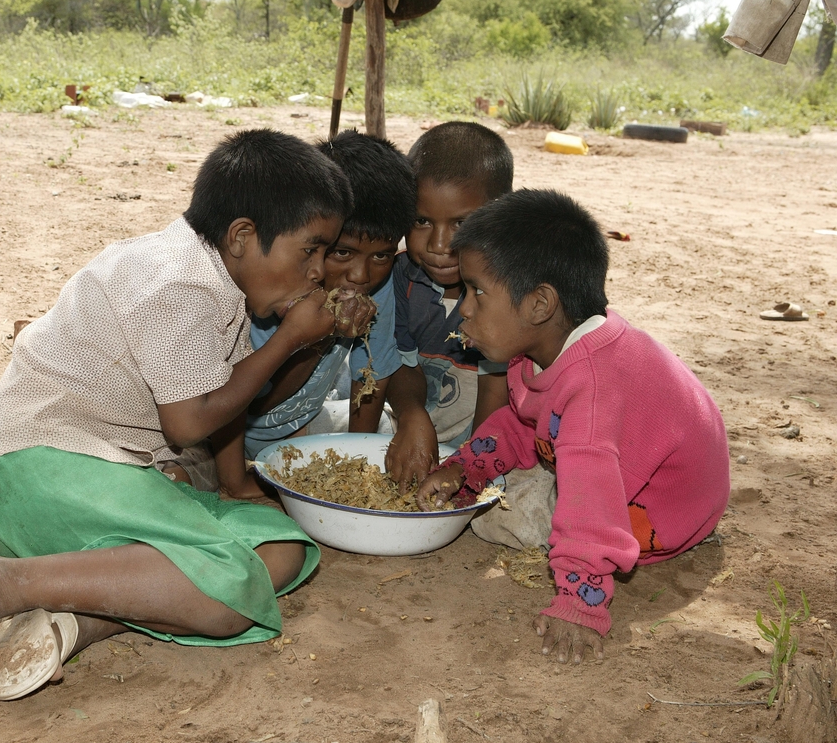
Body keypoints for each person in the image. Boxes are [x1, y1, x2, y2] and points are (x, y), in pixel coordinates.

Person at [0, 128, 353, 707]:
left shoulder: (215, 280)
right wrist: (290, 341)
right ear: (243, 236)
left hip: (100, 479)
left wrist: (235, 485)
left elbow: (224, 396)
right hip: (45, 477)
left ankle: (79, 617)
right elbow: (190, 424)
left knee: (281, 547)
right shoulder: (178, 285)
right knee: (229, 592)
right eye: (311, 250)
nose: (321, 271)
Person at [417, 189, 730, 665]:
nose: (463, 309)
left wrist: (578, 606)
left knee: (502, 517)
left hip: (661, 512)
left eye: (477, 292)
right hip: (630, 471)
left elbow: (590, 502)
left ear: (540, 304)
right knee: (502, 484)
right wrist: (466, 468)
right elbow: (526, 425)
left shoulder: (594, 390)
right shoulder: (554, 346)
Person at [220, 130, 415, 484]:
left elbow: (369, 379)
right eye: (342, 252)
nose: (361, 275)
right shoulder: (273, 291)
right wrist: (320, 337)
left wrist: (359, 462)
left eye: (382, 255)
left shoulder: (375, 284)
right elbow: (249, 408)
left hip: (300, 429)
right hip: (223, 439)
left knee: (386, 430)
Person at [383, 121, 513, 492]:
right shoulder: (402, 275)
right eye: (422, 221)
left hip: (487, 439)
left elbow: (496, 391)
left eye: (462, 222)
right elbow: (401, 362)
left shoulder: (507, 292)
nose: (440, 245)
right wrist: (411, 415)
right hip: (418, 423)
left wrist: (466, 468)